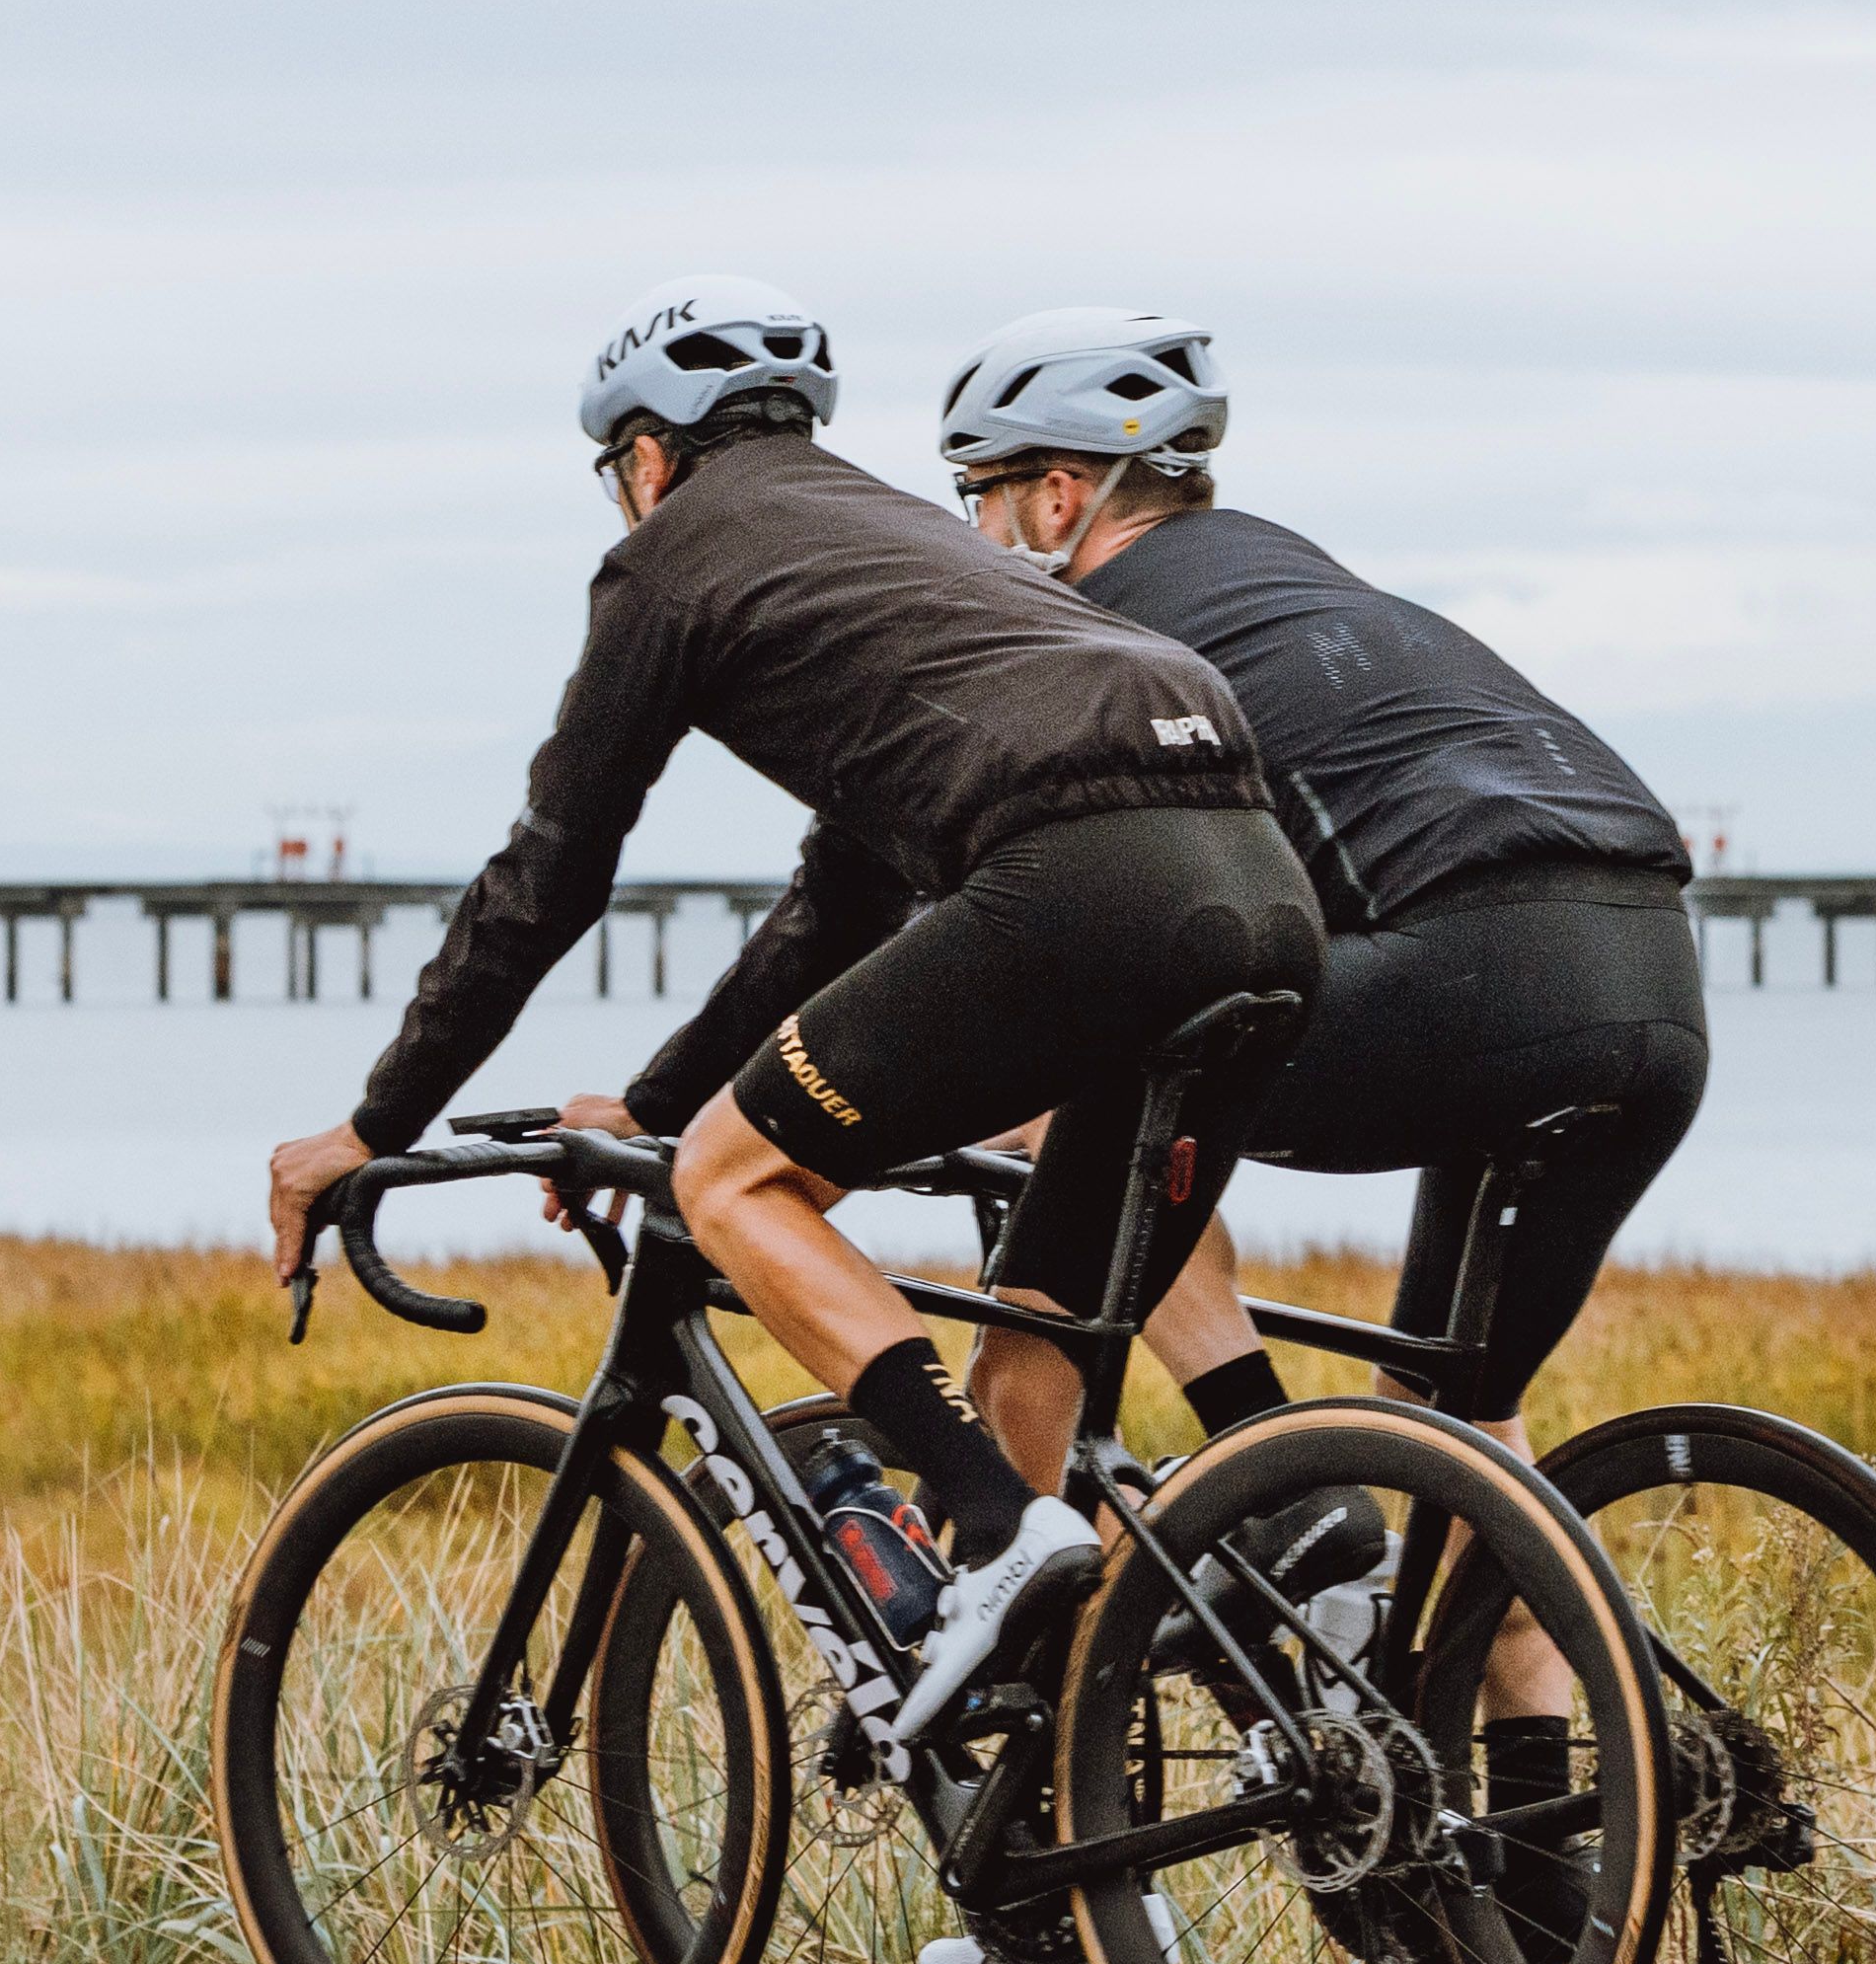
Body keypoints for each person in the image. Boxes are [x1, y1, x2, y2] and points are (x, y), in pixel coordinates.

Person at [262, 286, 1320, 1808]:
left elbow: (547, 877)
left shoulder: (667, 559)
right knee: (1037, 1326)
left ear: (643, 456)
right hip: (1260, 889)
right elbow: (843, 898)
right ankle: (1038, 1860)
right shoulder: (910, 541)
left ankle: (994, 1522)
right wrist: (650, 1093)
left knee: (730, 1183)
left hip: (1077, 873)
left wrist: (377, 1121)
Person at [929, 306, 1701, 1459]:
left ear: (1054, 496)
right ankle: (1514, 1631)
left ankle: (1277, 1487)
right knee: (1452, 1433)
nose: (975, 531)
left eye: (976, 496)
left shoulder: (1091, 645)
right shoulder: (1282, 576)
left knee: (1079, 1100)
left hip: (1475, 963)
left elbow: (1006, 931)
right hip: (1652, 983)